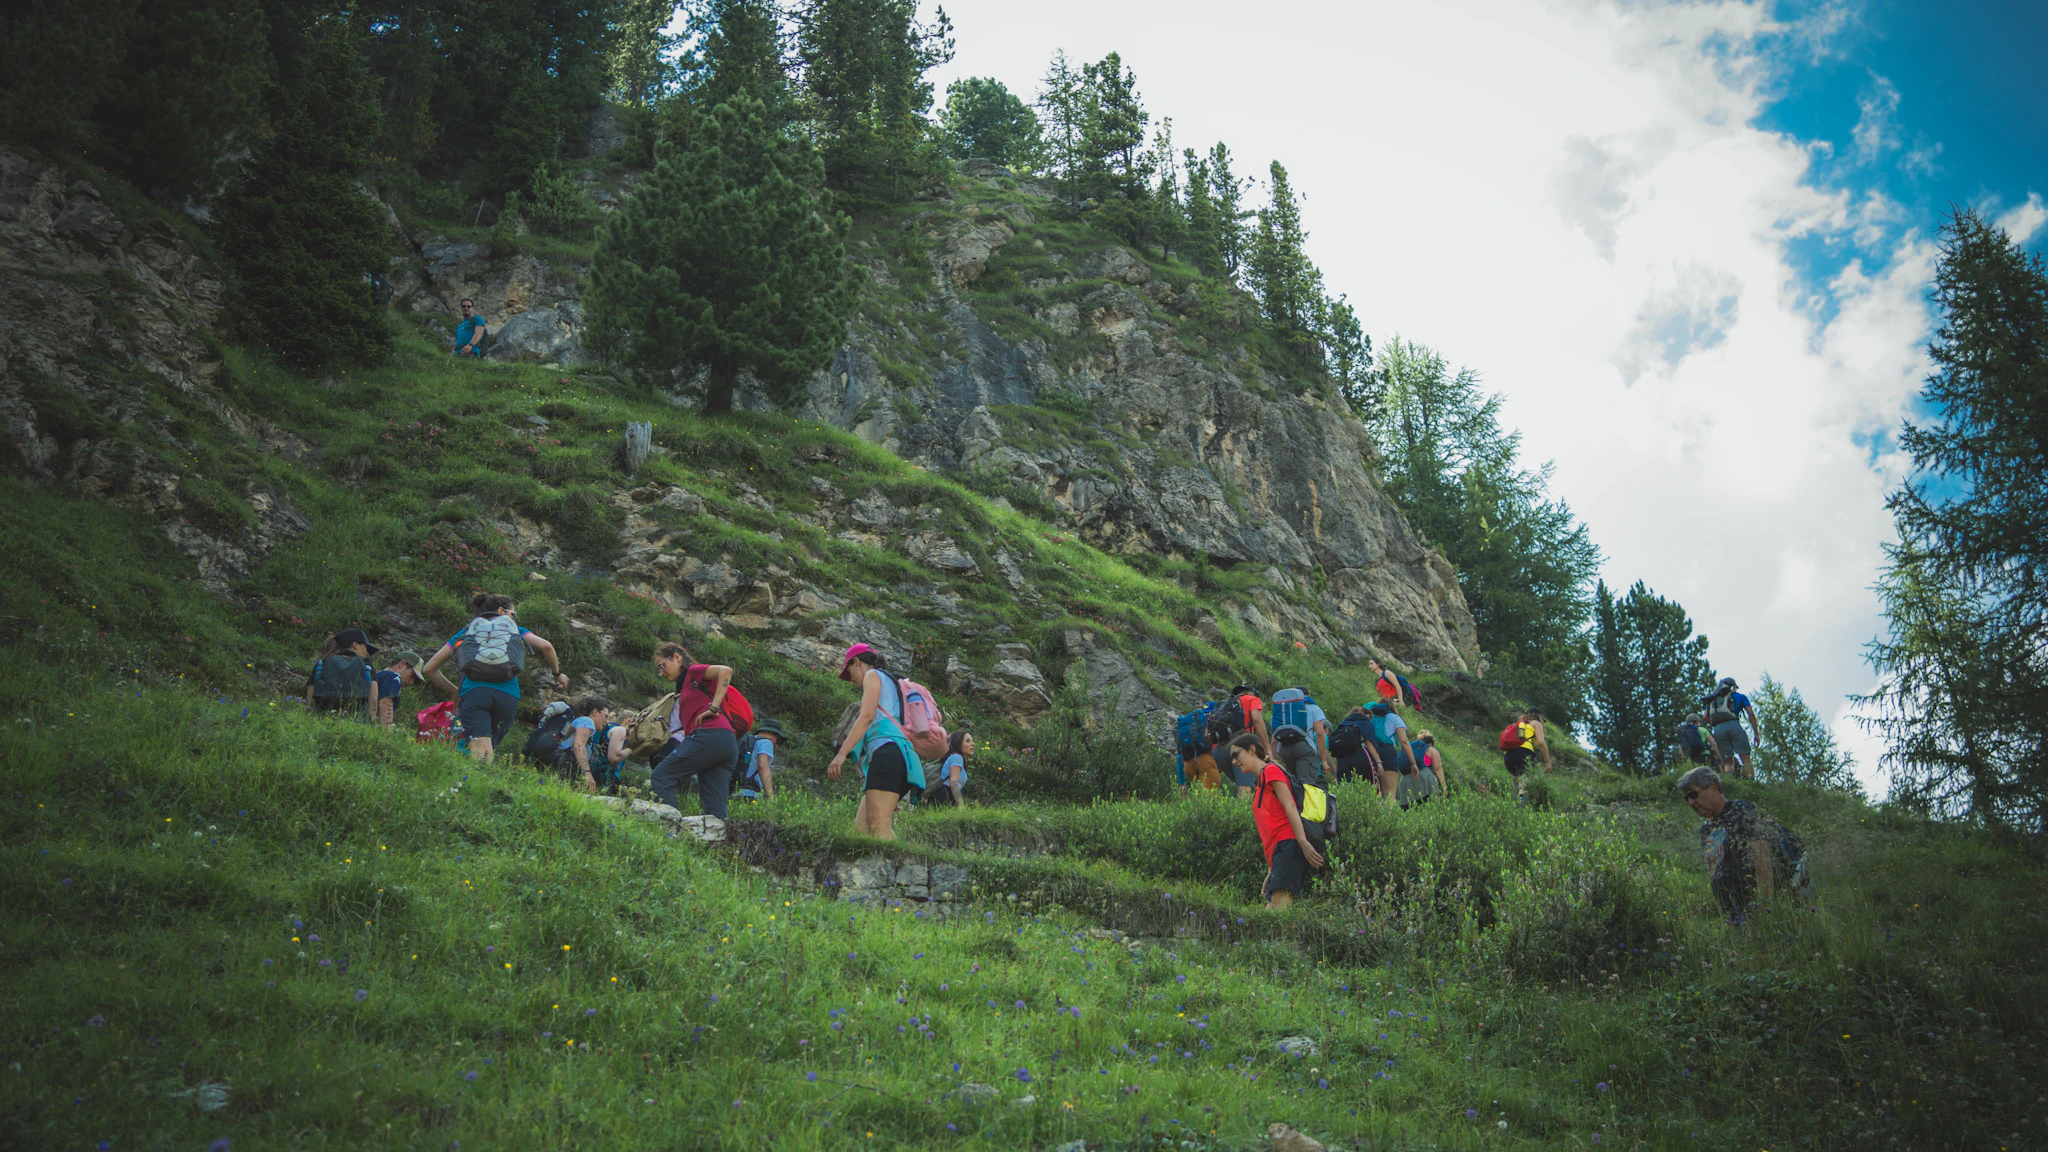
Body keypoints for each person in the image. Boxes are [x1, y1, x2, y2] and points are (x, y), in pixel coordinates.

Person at [420, 593, 567, 762]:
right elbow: (547, 646)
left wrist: (455, 691)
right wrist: (557, 674)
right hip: (508, 696)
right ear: (501, 611)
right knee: (488, 749)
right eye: (513, 614)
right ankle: (478, 781)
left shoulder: (467, 631)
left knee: (480, 751)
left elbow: (429, 669)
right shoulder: (517, 630)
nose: (514, 619)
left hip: (475, 693)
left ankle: (468, 783)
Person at [1677, 766, 1812, 923]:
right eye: (1686, 798)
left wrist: (1766, 905)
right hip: (1733, 915)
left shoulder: (1740, 810)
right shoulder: (1706, 830)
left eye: (1693, 794)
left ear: (1713, 788)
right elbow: (1713, 872)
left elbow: (1762, 855)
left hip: (1756, 909)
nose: (1691, 802)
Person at [826, 643, 926, 840]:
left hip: (888, 753)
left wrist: (841, 755)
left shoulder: (873, 676)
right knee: (861, 828)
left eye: (849, 672)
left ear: (856, 662)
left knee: (878, 825)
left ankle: (899, 869)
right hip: (898, 757)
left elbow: (866, 717)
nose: (851, 680)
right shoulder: (889, 682)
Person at [1227, 732, 1324, 910]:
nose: (1234, 761)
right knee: (1273, 908)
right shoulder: (1261, 782)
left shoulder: (1271, 771)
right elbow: (1273, 823)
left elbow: (1290, 807)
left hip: (1289, 844)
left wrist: (1303, 843)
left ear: (1252, 749)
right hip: (1280, 850)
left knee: (1277, 909)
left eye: (1236, 754)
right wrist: (1272, 870)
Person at [647, 642, 739, 819]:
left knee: (662, 775)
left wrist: (713, 707)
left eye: (662, 666)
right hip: (726, 742)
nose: (661, 672)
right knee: (714, 808)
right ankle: (716, 843)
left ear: (676, 657)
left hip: (709, 736)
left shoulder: (693, 672)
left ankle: (668, 832)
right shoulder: (687, 687)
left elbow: (725, 671)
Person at [556, 696, 624, 795]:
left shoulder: (577, 720)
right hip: (565, 764)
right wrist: (587, 773)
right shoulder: (587, 721)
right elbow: (579, 746)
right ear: (595, 712)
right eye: (605, 716)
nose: (606, 722)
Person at [306, 628, 377, 718]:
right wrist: (372, 721)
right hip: (356, 721)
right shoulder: (367, 665)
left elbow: (310, 696)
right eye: (366, 648)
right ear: (355, 645)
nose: (367, 654)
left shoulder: (323, 663)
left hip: (322, 718)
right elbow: (373, 699)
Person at [1701, 678, 1762, 779]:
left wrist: (1715, 725)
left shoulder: (1713, 700)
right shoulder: (1739, 697)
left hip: (1718, 729)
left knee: (1727, 761)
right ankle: (1752, 783)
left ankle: (1729, 783)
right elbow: (1750, 713)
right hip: (1734, 725)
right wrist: (1756, 733)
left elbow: (1705, 717)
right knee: (1745, 758)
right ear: (1733, 687)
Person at [1369, 701, 1416, 803]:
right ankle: (1389, 818)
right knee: (1389, 793)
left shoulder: (1372, 717)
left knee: (1374, 792)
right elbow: (1404, 741)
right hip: (1387, 753)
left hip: (1370, 752)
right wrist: (1413, 763)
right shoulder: (1394, 718)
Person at [1502, 708, 1552, 802]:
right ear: (1538, 716)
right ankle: (1523, 804)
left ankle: (1512, 803)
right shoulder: (1536, 723)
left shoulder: (1521, 725)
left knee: (1517, 778)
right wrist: (1548, 762)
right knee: (1527, 780)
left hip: (1508, 757)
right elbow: (1541, 742)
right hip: (1523, 753)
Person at [374, 649, 424, 730]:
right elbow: (386, 704)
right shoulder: (394, 677)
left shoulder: (379, 674)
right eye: (412, 676)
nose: (411, 682)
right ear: (401, 664)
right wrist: (386, 733)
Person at [737, 718, 785, 801]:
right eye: (778, 740)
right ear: (771, 733)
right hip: (750, 793)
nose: (776, 745)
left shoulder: (748, 741)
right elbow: (762, 766)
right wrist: (770, 797)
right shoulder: (766, 742)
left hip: (734, 790)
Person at [1329, 706, 1377, 785]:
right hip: (1361, 758)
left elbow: (1338, 750)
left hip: (1342, 762)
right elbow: (1369, 743)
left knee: (1344, 788)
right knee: (1366, 787)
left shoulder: (1342, 725)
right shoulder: (1364, 722)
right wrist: (1378, 762)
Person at [928, 728, 972, 808]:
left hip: (945, 795)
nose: (973, 744)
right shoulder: (957, 757)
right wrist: (960, 804)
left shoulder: (955, 757)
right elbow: (953, 781)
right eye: (968, 741)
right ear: (958, 743)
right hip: (944, 795)